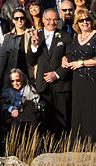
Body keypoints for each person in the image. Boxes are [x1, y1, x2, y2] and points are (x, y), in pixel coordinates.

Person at [63, 7, 96, 145]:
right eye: (81, 20)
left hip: (93, 78)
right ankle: (80, 144)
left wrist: (81, 63)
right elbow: (71, 54)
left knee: (94, 111)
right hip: (78, 80)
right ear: (77, 23)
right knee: (80, 111)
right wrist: (65, 58)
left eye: (87, 19)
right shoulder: (75, 37)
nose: (85, 22)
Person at [28, 8, 71, 136]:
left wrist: (56, 74)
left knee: (62, 121)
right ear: (43, 20)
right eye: (48, 20)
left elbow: (70, 58)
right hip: (43, 86)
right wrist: (34, 46)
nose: (52, 22)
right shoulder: (37, 35)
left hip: (61, 85)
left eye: (54, 20)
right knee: (45, 120)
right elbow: (31, 61)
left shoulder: (65, 36)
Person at [0, 68, 42, 155]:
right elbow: (2, 103)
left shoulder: (29, 88)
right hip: (12, 114)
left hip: (27, 113)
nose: (15, 83)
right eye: (12, 81)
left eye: (17, 80)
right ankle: (14, 152)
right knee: (14, 125)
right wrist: (11, 108)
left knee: (33, 123)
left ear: (22, 79)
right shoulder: (6, 90)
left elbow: (36, 102)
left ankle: (34, 151)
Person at [0, 9, 29, 75]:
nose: (19, 20)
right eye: (16, 18)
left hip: (29, 73)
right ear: (13, 21)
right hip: (13, 74)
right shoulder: (7, 37)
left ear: (25, 20)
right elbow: (3, 57)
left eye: (22, 18)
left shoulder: (31, 34)